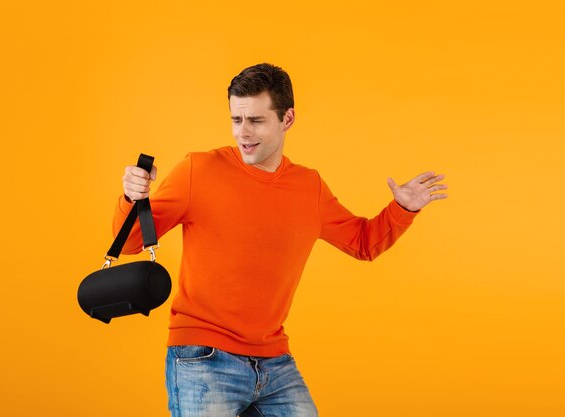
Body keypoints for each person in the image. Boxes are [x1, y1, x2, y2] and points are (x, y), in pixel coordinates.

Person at [113, 63, 448, 417]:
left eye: (256, 121)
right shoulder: (198, 170)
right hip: (204, 356)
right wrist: (132, 198)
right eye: (236, 120)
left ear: (287, 119)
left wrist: (402, 208)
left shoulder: (309, 187)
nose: (243, 133)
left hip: (274, 361)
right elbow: (131, 241)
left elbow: (364, 242)